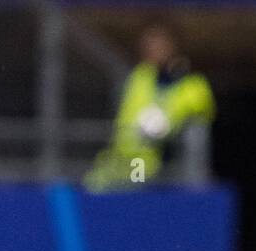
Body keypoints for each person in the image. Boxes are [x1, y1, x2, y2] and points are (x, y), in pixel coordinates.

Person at [85, 22, 216, 191]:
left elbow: (201, 112)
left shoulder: (193, 84)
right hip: (130, 162)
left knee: (145, 195)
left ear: (173, 47)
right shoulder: (139, 78)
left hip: (167, 167)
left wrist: (166, 121)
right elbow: (127, 121)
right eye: (148, 46)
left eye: (159, 46)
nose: (153, 51)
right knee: (99, 188)